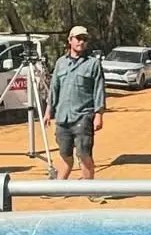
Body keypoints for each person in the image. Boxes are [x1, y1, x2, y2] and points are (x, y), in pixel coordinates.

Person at [44, 26, 106, 184]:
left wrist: (98, 115)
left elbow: (99, 90)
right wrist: (48, 111)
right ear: (70, 40)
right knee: (65, 154)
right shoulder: (60, 63)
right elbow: (54, 89)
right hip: (63, 117)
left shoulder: (93, 64)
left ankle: (90, 189)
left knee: (84, 153)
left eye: (84, 39)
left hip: (83, 116)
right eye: (78, 38)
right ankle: (59, 188)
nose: (81, 42)